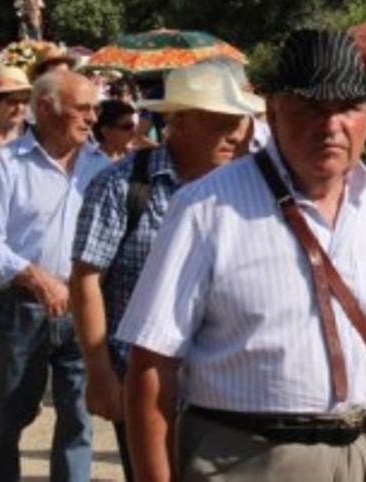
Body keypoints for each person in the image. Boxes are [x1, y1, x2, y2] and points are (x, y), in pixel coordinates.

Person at [117, 29, 366, 481]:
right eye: (312, 108)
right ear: (273, 111)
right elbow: (152, 364)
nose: (331, 125)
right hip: (244, 460)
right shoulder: (204, 208)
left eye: (348, 108)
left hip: (365, 457)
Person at [69, 62, 263, 479]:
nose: (235, 134)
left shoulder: (250, 190)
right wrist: (99, 373)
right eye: (221, 121)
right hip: (144, 386)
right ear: (179, 122)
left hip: (229, 390)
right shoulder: (121, 185)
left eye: (239, 122)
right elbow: (86, 279)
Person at [0, 70, 109, 482]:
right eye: (82, 109)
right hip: (18, 310)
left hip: (83, 309)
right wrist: (32, 275)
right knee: (5, 418)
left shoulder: (100, 166)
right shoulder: (6, 165)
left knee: (79, 417)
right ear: (48, 109)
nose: (92, 118)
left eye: (94, 109)